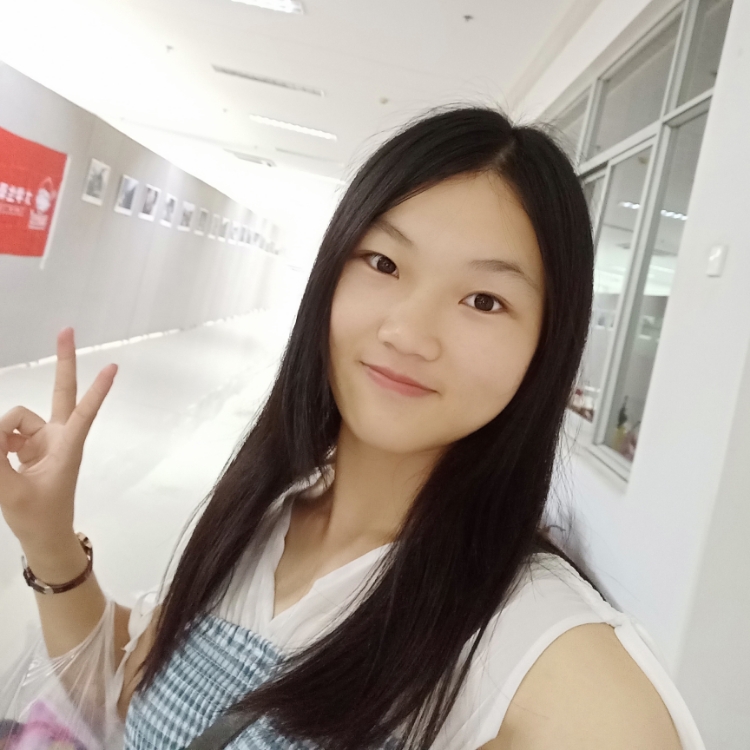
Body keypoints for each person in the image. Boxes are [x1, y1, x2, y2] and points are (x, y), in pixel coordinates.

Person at [0, 106, 705, 750]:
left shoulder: (540, 656)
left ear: (546, 347)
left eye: (484, 300)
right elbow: (126, 696)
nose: (409, 333)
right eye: (384, 263)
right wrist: (47, 536)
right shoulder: (263, 515)